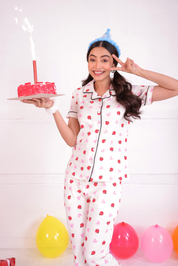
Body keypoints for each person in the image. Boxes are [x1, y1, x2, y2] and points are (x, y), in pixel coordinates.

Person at [22, 29, 178, 266]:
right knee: (80, 255)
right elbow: (72, 140)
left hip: (108, 183)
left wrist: (137, 71)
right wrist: (51, 109)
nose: (97, 65)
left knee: (95, 254)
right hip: (75, 181)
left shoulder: (128, 93)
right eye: (92, 59)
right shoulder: (79, 95)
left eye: (104, 59)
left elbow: (175, 87)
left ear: (114, 62)